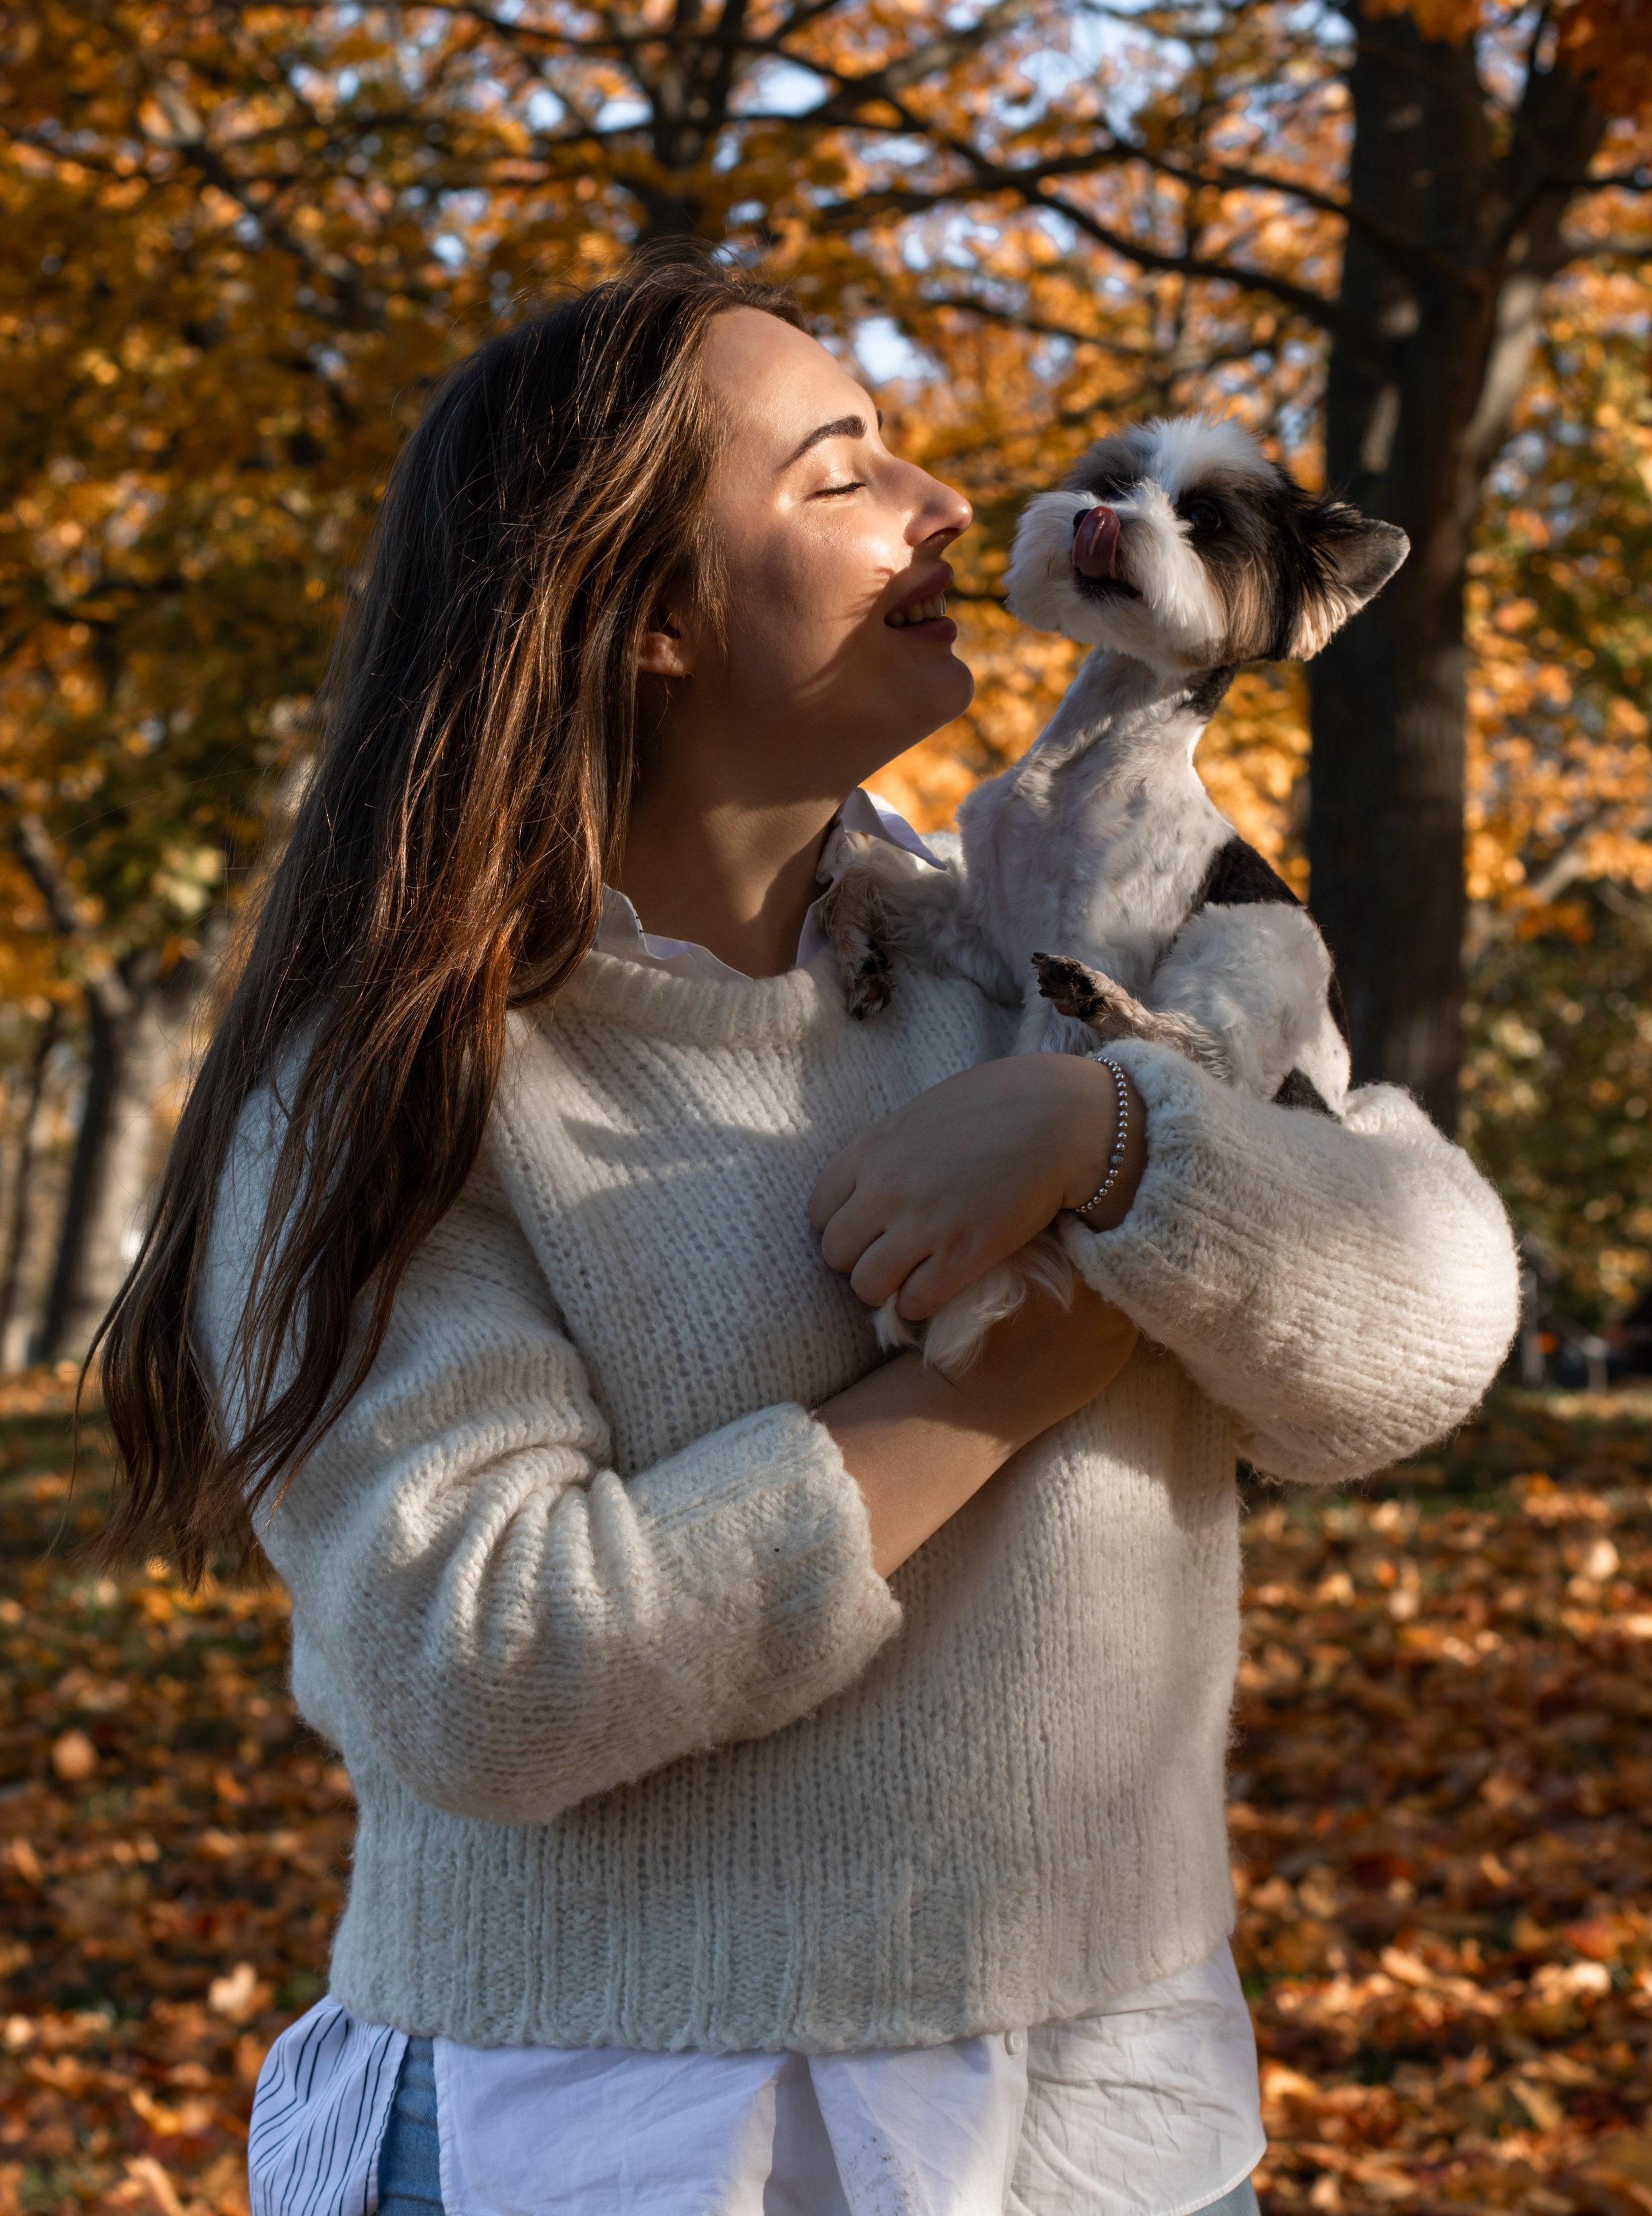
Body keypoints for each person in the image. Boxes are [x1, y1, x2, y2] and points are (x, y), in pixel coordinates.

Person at [97, 256, 1519, 2216]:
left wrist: (1111, 1137)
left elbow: (1434, 1309)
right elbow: (481, 1667)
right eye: (841, 472)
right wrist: (983, 1397)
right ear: (649, 614)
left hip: (1109, 2117)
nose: (945, 503)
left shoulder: (1042, 962)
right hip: (623, 2130)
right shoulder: (408, 1076)